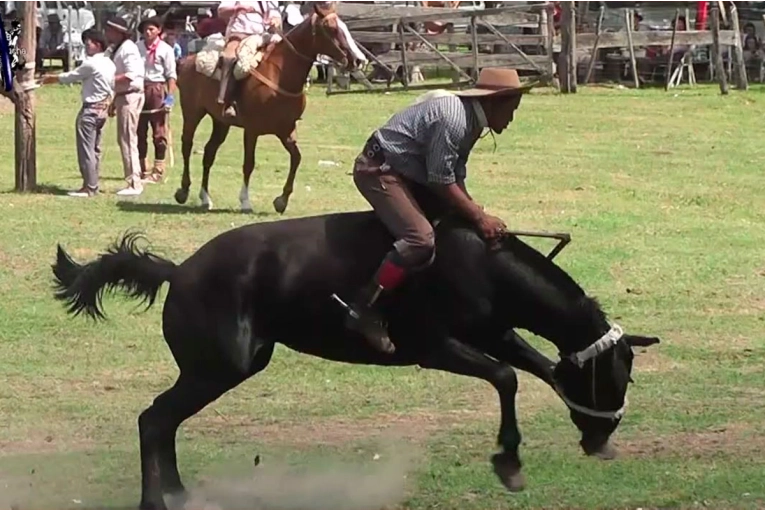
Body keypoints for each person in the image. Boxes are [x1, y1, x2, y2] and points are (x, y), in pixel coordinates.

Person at [345, 68, 533, 354]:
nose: (511, 119)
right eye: (511, 110)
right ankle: (365, 309)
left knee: (459, 225)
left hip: (407, 172)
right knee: (420, 239)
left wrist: (474, 213)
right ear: (495, 101)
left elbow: (453, 173)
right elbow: (440, 180)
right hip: (379, 171)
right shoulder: (454, 120)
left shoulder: (470, 121)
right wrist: (479, 216)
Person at [41, 28, 115, 197]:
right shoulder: (109, 63)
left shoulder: (91, 64)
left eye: (88, 43)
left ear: (97, 45)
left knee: (86, 150)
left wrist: (50, 79)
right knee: (95, 149)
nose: (86, 47)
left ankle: (89, 187)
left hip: (90, 110)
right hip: (103, 109)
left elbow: (71, 77)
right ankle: (92, 184)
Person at [216, 0, 282, 118]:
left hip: (262, 35)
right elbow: (221, 11)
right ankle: (226, 101)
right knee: (229, 57)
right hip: (239, 34)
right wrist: (237, 8)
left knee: (282, 49)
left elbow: (276, 17)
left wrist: (274, 22)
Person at [105, 16, 146, 197]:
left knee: (128, 139)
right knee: (125, 139)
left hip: (130, 95)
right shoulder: (117, 49)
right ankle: (132, 179)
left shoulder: (128, 49)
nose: (107, 34)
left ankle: (134, 182)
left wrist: (106, 79)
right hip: (122, 96)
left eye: (110, 30)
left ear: (119, 32)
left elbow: (131, 75)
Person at [136, 17, 177, 184]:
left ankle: (158, 168)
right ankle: (141, 167)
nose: (148, 32)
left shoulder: (166, 50)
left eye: (151, 29)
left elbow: (171, 75)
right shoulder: (137, 48)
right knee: (139, 130)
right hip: (139, 88)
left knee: (159, 131)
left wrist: (170, 97)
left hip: (157, 89)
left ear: (159, 30)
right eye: (145, 29)